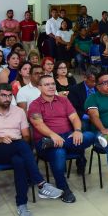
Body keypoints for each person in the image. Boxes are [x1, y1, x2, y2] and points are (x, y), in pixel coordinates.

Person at [0, 83, 64, 216]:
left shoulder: (19, 112)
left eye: (9, 95)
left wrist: (15, 140)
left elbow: (26, 136)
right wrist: (1, 139)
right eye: (3, 95)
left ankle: (22, 205)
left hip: (17, 147)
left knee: (19, 160)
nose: (7, 98)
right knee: (21, 147)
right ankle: (41, 184)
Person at [28, 74, 96, 203]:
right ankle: (64, 188)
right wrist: (52, 135)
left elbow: (75, 118)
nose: (51, 87)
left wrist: (77, 130)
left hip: (66, 137)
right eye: (47, 84)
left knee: (90, 136)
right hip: (45, 140)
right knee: (59, 153)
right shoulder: (35, 105)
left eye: (53, 84)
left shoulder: (63, 100)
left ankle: (56, 144)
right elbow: (38, 124)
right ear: (39, 87)